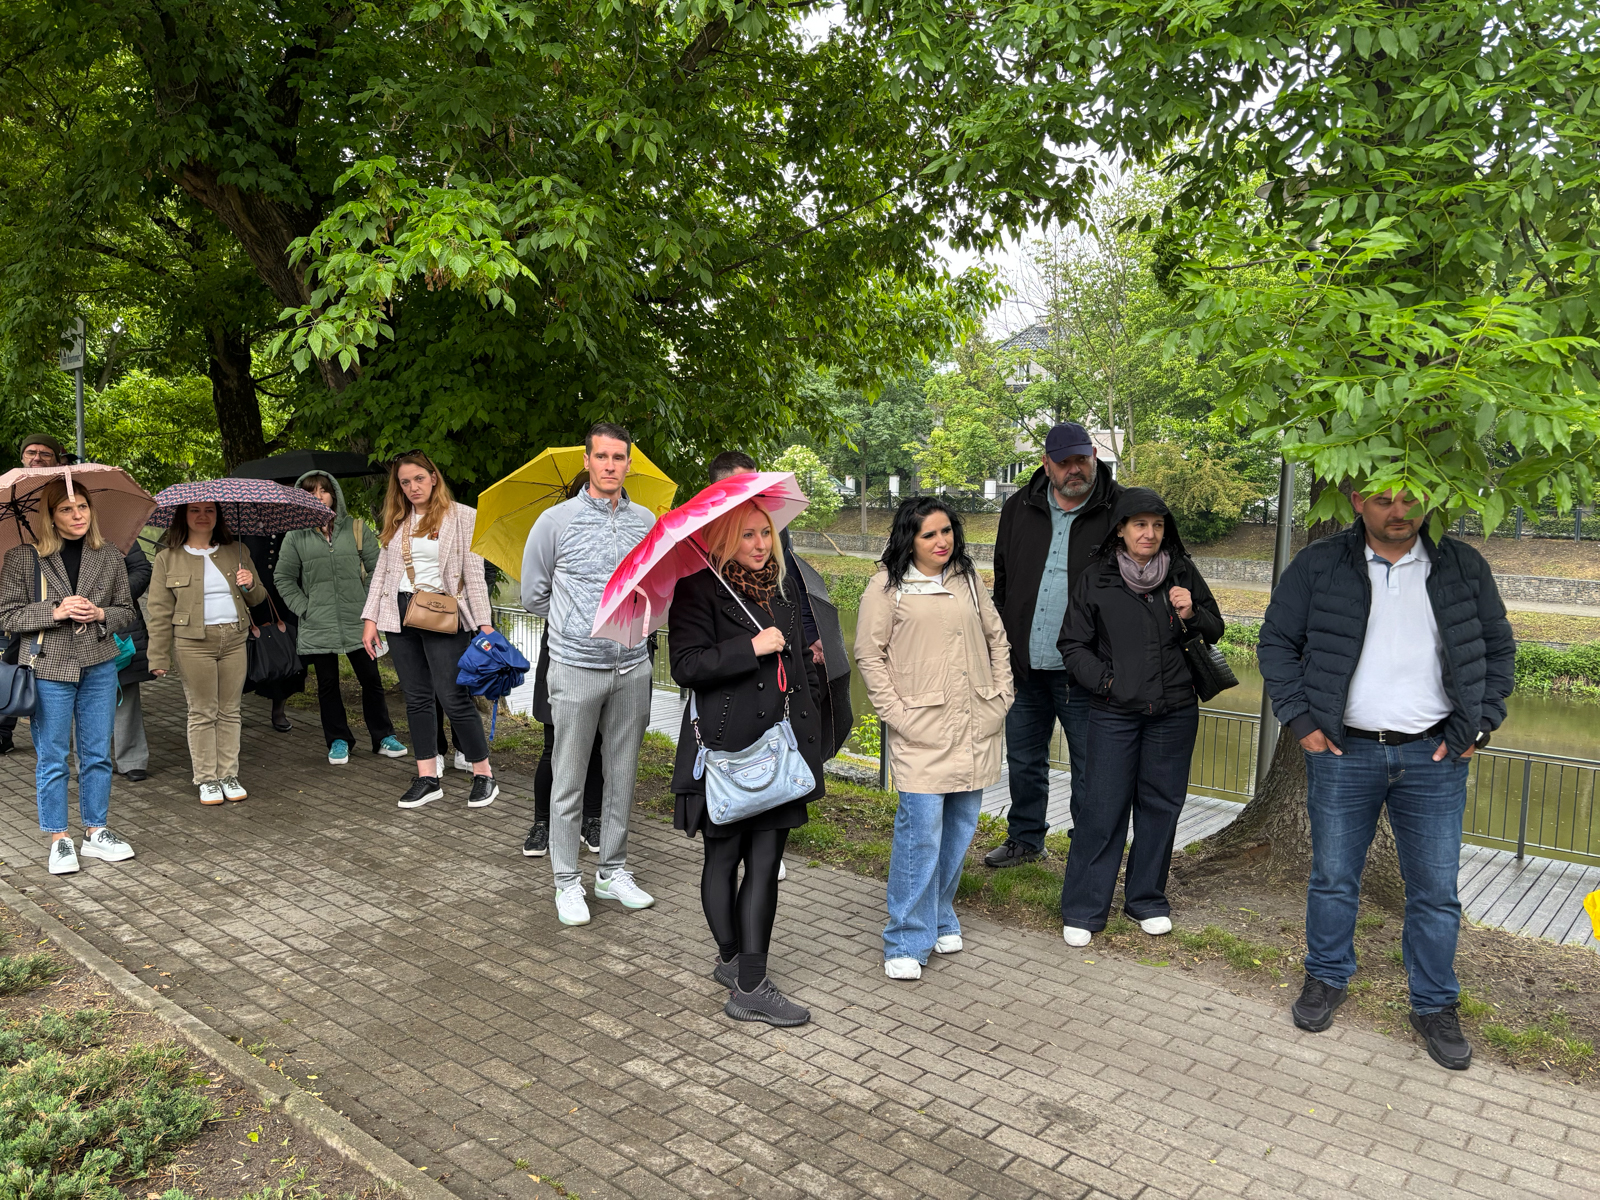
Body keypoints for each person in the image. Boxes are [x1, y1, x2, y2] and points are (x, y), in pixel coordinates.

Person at [1258, 487, 1515, 1072]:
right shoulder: (1320, 564)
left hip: (1434, 758)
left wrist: (1480, 725)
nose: (1399, 512)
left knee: (1435, 892)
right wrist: (1300, 721)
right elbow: (1275, 642)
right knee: (1332, 878)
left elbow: (1499, 652)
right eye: (1382, 500)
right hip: (1345, 754)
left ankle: (1433, 1005)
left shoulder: (1461, 565)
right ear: (1356, 502)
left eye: (1411, 499)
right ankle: (1325, 978)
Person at [669, 497, 824, 1025]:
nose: (759, 545)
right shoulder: (697, 589)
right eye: (747, 536)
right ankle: (736, 966)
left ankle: (750, 978)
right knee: (722, 858)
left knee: (763, 863)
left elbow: (799, 667)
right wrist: (750, 647)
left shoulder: (781, 590)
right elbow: (685, 666)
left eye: (765, 534)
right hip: (725, 749)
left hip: (779, 751)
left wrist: (813, 733)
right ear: (722, 539)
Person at [1056, 488, 1223, 947]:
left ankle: (1146, 899)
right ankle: (1084, 909)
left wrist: (1191, 612)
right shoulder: (1097, 578)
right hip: (1113, 714)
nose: (1149, 534)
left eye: (1158, 525)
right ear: (1121, 531)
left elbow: (1216, 626)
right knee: (1101, 809)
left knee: (1161, 807)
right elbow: (1072, 645)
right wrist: (1108, 684)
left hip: (1174, 712)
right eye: (1140, 525)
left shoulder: (1183, 571)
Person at [855, 497, 1013, 981]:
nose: (941, 541)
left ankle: (941, 914)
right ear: (910, 539)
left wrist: (1002, 694)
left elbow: (996, 637)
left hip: (975, 724)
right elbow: (869, 653)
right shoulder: (887, 586)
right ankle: (905, 937)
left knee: (960, 830)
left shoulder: (967, 577)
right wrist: (897, 715)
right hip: (922, 728)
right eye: (929, 534)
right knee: (919, 835)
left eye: (947, 531)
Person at [521, 423, 657, 925]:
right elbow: (534, 593)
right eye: (601, 456)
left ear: (628, 464)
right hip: (576, 666)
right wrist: (576, 624)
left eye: (618, 457)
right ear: (587, 460)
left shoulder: (646, 521)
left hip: (633, 667)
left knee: (622, 776)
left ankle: (612, 870)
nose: (609, 465)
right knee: (569, 779)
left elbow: (655, 588)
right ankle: (565, 881)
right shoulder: (555, 521)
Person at [986, 422, 1124, 869]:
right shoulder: (1017, 509)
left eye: (1081, 460)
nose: (1074, 470)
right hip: (1025, 664)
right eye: (1063, 462)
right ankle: (1026, 839)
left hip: (1085, 669)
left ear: (1094, 457)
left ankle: (1088, 848)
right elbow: (1003, 582)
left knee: (1091, 766)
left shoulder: (1118, 510)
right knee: (1024, 760)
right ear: (1046, 464)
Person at [0, 476, 137, 873]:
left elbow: (126, 611)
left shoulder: (109, 554)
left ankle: (96, 832)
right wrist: (54, 611)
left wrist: (99, 614)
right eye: (65, 509)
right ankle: (59, 838)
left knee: (97, 754)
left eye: (82, 507)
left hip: (98, 664)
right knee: (54, 757)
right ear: (51, 515)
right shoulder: (24, 558)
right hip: (48, 667)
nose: (77, 515)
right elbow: (6, 615)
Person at [360, 452, 498, 809]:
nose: (412, 487)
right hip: (400, 614)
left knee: (453, 696)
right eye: (405, 482)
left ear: (433, 477)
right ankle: (427, 777)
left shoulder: (463, 516)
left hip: (444, 613)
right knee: (417, 697)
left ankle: (483, 773)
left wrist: (484, 626)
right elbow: (383, 574)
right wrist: (370, 619)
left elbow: (474, 576)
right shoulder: (397, 518)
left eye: (419, 478)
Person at [276, 472, 408, 766]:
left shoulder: (357, 527)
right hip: (318, 622)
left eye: (324, 490)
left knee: (371, 679)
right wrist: (305, 607)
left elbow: (378, 570)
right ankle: (338, 739)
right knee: (327, 684)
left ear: (334, 494)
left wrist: (367, 606)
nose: (318, 496)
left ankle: (383, 736)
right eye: (311, 492)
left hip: (359, 620)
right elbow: (282, 577)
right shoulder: (295, 536)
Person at [148, 502, 268, 804]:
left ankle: (228, 774)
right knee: (203, 711)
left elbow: (258, 598)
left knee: (230, 710)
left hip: (234, 639)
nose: (203, 516)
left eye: (210, 511)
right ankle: (206, 779)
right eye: (195, 510)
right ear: (183, 517)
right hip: (192, 643)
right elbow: (159, 612)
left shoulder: (237, 550)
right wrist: (158, 657)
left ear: (219, 516)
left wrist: (250, 583)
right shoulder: (166, 558)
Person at [1, 435, 80, 757]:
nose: (36, 457)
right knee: (13, 664)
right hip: (21, 600)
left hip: (61, 607)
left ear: (57, 459)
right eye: (30, 452)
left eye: (44, 453)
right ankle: (6, 727)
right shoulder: (9, 492)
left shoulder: (64, 494)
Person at [240, 530, 308, 731]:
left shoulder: (289, 528)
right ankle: (234, 709)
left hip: (285, 599)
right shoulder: (241, 525)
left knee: (284, 649)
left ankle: (279, 709)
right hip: (250, 597)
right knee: (246, 652)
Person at [113, 539, 155, 780]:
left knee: (125, 693)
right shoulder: (53, 540)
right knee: (83, 699)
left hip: (120, 624)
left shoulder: (120, 531)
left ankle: (132, 760)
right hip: (75, 625)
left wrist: (113, 595)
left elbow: (141, 570)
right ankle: (89, 763)